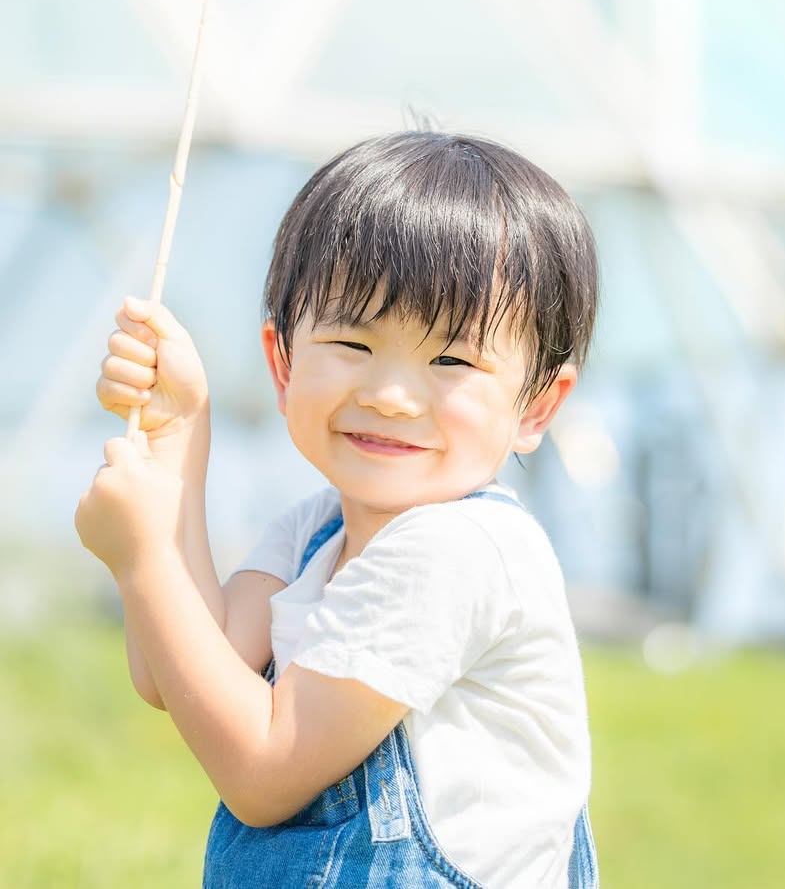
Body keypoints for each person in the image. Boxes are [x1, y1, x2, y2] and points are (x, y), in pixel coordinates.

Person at [75, 130, 601, 888]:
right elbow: (183, 669)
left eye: (451, 360)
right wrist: (177, 435)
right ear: (283, 362)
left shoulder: (454, 553)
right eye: (353, 343)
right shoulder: (315, 529)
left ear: (538, 406)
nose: (389, 395)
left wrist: (144, 558)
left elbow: (261, 772)